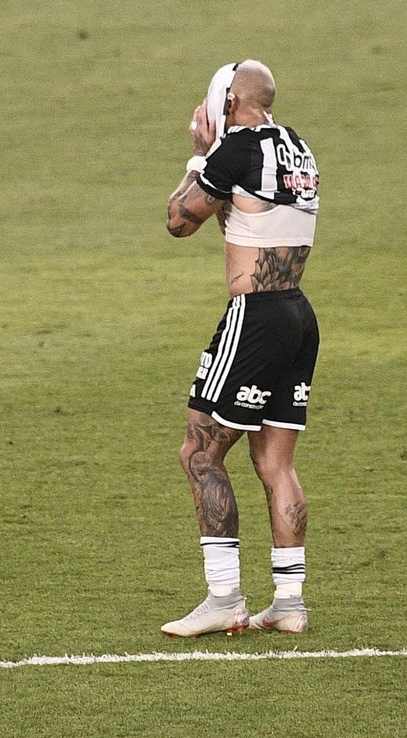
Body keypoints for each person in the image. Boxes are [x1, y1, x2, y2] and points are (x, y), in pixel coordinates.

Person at [160, 59, 320, 637]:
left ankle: (224, 596)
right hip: (300, 316)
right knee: (275, 462)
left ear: (228, 101)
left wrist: (201, 157)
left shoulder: (234, 152)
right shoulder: (297, 150)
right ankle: (289, 603)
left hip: (255, 316)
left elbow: (180, 221)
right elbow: (251, 215)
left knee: (199, 452)